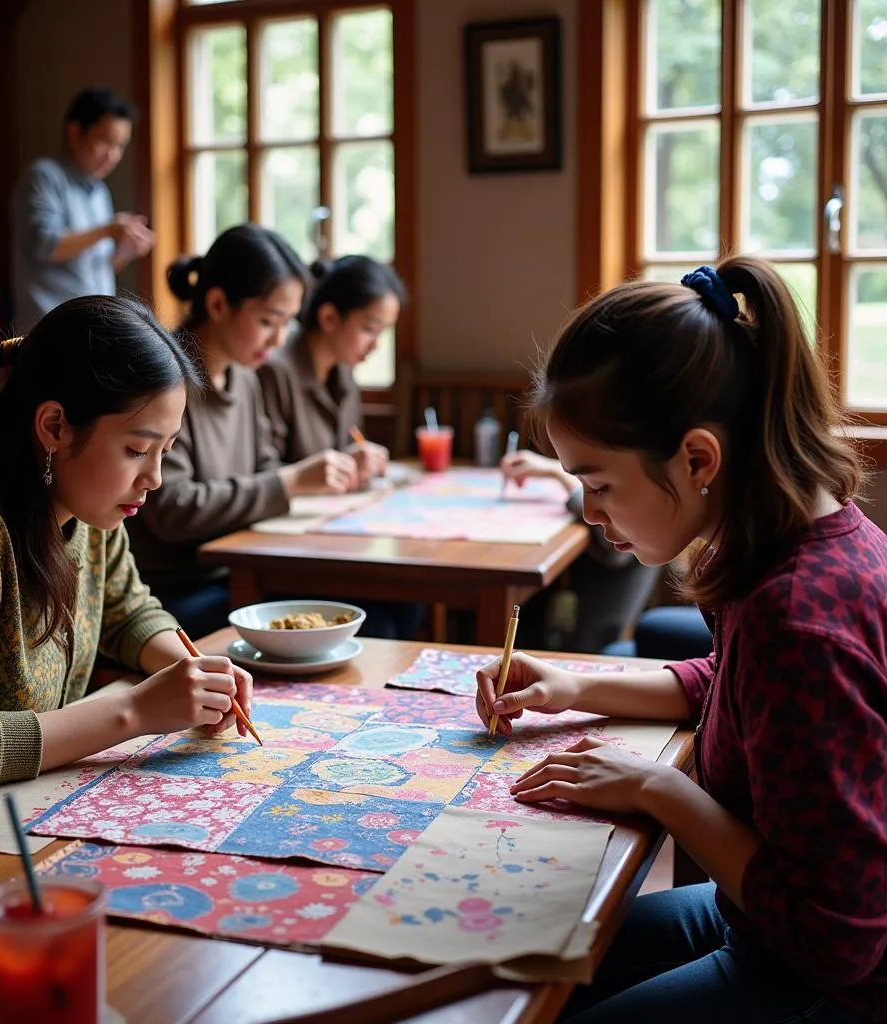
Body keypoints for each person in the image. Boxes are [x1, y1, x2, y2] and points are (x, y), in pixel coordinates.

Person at [476, 258, 885, 1023]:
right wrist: (573, 685)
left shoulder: (800, 620)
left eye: (599, 483)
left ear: (698, 458)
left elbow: (840, 942)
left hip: (837, 984)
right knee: (520, 948)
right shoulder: (790, 548)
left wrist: (659, 787)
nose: (591, 513)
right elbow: (732, 682)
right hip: (762, 929)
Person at [0, 296, 253, 1010]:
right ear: (54, 427)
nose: (154, 478)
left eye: (166, 452)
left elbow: (129, 607)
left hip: (11, 829)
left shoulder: (86, 507)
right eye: (138, 449)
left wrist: (182, 666)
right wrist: (134, 710)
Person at [125, 224, 359, 639]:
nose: (280, 338)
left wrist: (299, 480)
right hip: (171, 590)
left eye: (288, 322)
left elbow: (263, 464)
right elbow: (172, 508)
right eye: (270, 320)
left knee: (374, 612)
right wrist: (289, 481)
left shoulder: (245, 378)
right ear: (217, 303)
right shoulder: (166, 380)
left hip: (235, 573)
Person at [10, 87, 156, 331]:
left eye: (120, 146)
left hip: (92, 327)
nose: (113, 156)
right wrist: (109, 229)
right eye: (106, 142)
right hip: (49, 328)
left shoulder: (99, 191)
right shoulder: (43, 176)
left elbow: (92, 267)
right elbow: (45, 244)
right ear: (75, 132)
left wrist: (126, 251)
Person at [258, 254, 404, 484]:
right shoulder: (274, 371)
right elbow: (263, 472)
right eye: (369, 329)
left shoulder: (343, 372)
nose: (375, 345)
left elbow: (350, 444)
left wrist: (362, 461)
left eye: (382, 332)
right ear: (329, 318)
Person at [500, 449, 662, 653]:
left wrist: (560, 475)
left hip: (590, 642)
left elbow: (618, 550)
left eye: (597, 488)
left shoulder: (641, 496)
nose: (590, 513)